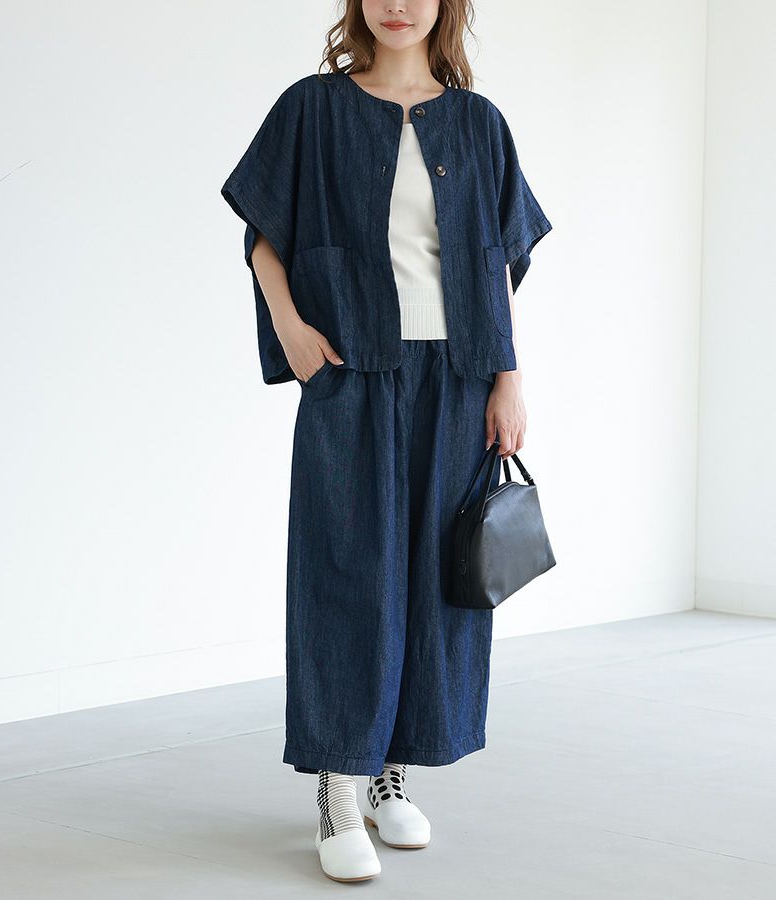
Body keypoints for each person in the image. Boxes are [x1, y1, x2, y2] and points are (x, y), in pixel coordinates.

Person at [221, 0, 552, 884]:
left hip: (459, 377)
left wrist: (510, 378)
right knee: (348, 573)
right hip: (353, 371)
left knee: (437, 581)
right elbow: (263, 234)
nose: (398, 5)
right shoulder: (313, 108)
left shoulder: (478, 123)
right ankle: (338, 786)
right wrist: (290, 329)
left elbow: (499, 258)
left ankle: (390, 774)